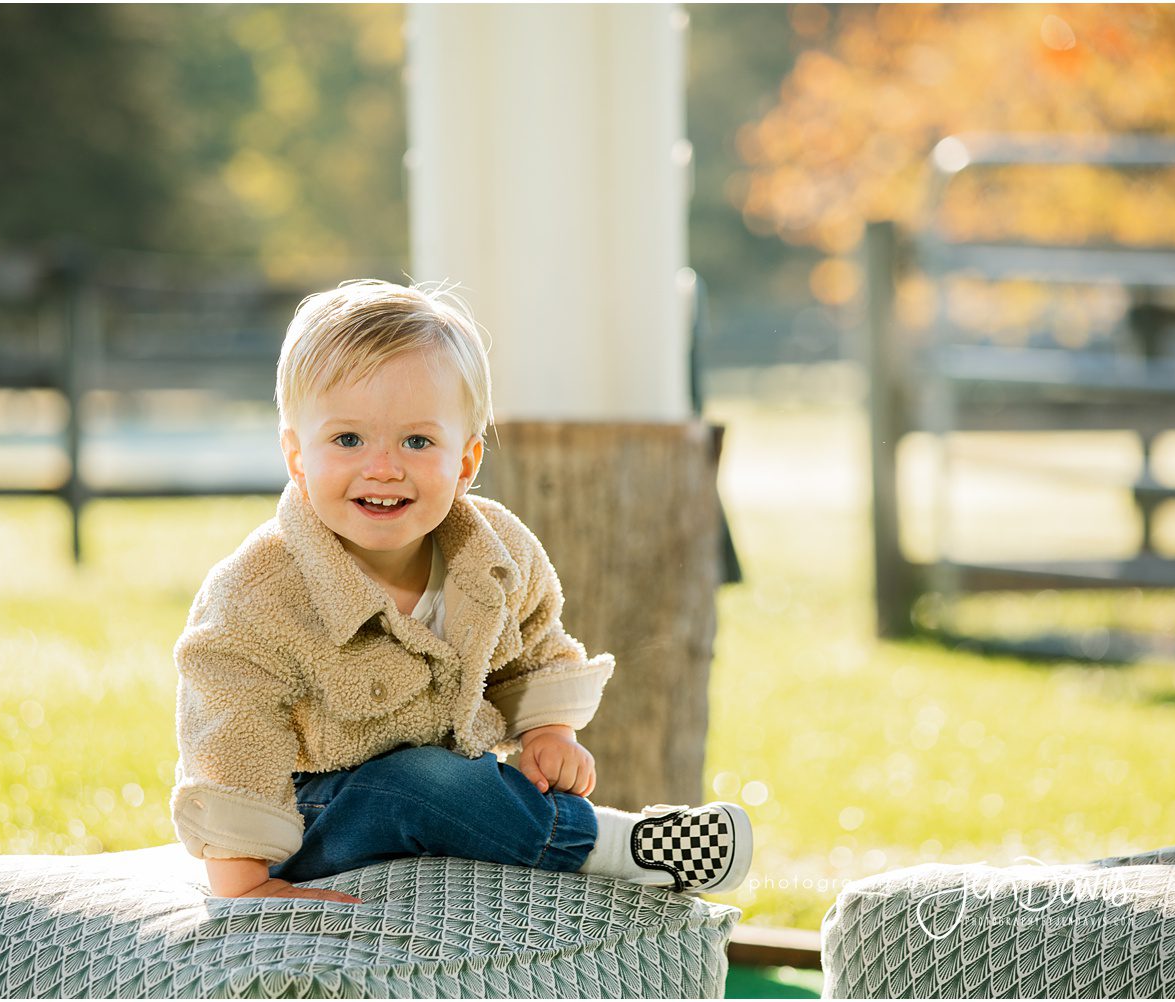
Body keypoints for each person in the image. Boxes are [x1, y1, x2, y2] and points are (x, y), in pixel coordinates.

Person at [170, 279, 751, 903]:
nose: (383, 466)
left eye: (417, 441)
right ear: (296, 456)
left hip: (451, 785)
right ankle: (614, 847)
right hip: (308, 818)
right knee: (421, 782)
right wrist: (247, 882)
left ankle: (530, 839)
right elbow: (231, 732)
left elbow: (533, 641)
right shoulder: (258, 595)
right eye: (347, 440)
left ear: (467, 462)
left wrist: (548, 733)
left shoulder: (492, 551)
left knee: (460, 783)